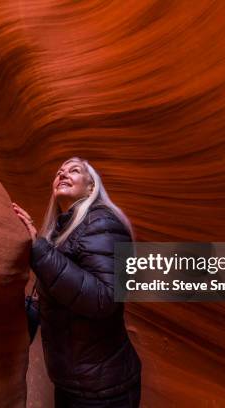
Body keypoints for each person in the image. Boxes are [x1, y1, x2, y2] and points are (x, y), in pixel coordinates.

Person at [12, 157, 142, 408]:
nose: (63, 174)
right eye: (59, 172)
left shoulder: (102, 223)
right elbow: (59, 295)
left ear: (91, 187)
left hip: (104, 391)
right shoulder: (65, 230)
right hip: (77, 384)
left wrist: (40, 249)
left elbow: (104, 299)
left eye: (74, 171)